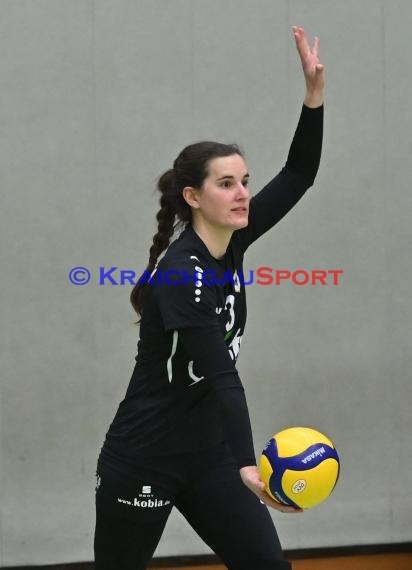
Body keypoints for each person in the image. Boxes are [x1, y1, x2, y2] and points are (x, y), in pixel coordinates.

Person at [94, 26, 324, 570]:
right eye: (226, 184)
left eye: (244, 180)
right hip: (145, 456)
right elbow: (221, 374)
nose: (243, 193)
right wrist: (248, 463)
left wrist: (313, 95)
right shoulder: (180, 275)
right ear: (193, 197)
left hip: (209, 455)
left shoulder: (233, 240)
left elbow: (300, 173)